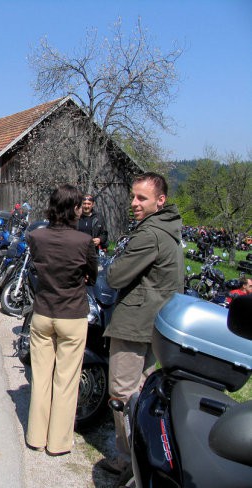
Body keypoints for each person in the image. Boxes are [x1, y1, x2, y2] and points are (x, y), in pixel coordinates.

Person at [99, 172, 183, 479]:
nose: (133, 203)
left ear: (160, 201)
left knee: (122, 394)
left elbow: (115, 276)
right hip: (156, 323)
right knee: (143, 392)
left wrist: (114, 261)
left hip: (135, 323)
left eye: (141, 198)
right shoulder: (168, 230)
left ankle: (128, 459)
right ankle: (145, 453)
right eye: (133, 196)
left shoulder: (149, 235)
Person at [24, 184, 98, 456]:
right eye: (80, 205)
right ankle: (58, 443)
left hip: (43, 312)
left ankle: (35, 436)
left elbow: (36, 266)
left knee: (41, 377)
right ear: (75, 209)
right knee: (65, 381)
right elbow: (93, 273)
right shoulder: (83, 241)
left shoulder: (36, 236)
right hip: (71, 313)